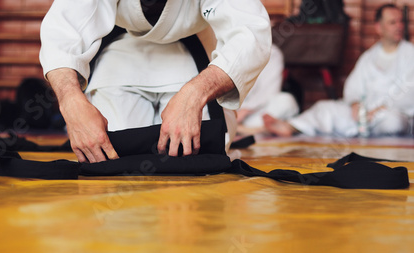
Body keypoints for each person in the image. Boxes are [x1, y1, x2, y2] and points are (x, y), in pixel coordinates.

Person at [40, 0, 271, 163]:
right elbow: (63, 32)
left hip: (196, 61)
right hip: (122, 58)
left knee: (196, 154)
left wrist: (195, 94)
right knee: (111, 153)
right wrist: (70, 102)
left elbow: (251, 33)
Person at [263, 4, 414, 138]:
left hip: (390, 114)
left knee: (393, 123)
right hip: (363, 116)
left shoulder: (410, 54)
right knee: (326, 108)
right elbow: (353, 87)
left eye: (401, 21)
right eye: (392, 22)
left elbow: (408, 92)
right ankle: (291, 126)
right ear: (378, 27)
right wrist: (355, 104)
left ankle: (361, 129)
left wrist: (381, 109)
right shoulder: (369, 57)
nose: (399, 26)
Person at [236, 44, 299, 135]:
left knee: (286, 101)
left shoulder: (272, 52)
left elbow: (270, 91)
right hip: (225, 111)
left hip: (252, 113)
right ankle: (252, 130)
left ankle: (241, 129)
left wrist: (244, 111)